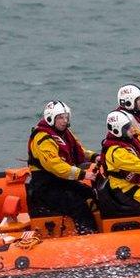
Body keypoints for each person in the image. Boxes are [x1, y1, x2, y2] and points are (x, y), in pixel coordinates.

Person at [26, 100, 99, 234]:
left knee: (90, 193)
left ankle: (97, 229)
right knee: (77, 204)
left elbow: (80, 151)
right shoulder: (43, 138)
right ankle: (87, 233)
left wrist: (95, 157)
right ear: (50, 118)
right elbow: (55, 165)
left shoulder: (64, 133)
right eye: (60, 117)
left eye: (66, 117)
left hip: (60, 182)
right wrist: (83, 174)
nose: (64, 121)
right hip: (45, 187)